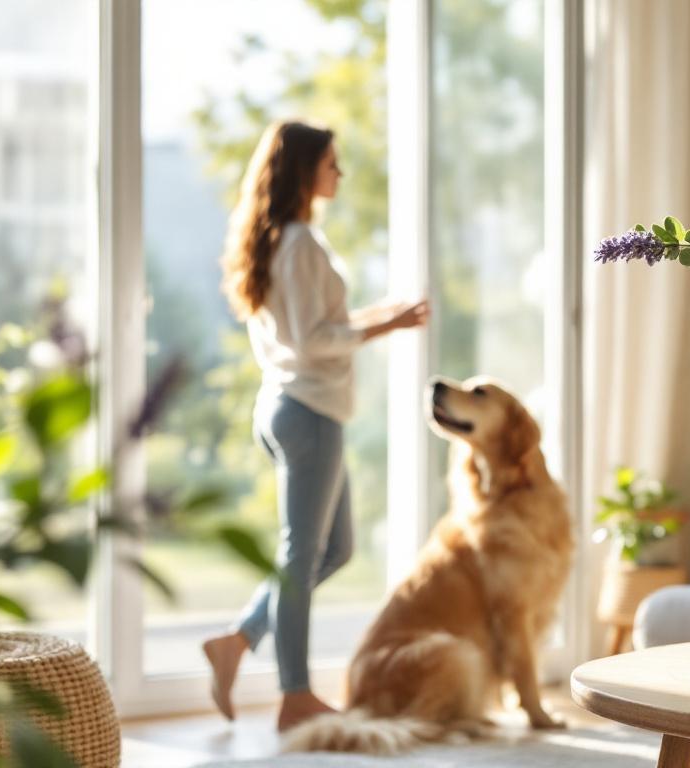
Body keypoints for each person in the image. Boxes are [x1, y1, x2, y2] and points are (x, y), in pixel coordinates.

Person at [203, 120, 429, 731]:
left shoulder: (282, 240)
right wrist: (386, 327)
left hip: (295, 407)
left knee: (334, 549)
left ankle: (239, 640)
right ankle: (294, 695)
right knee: (302, 557)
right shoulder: (300, 241)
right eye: (332, 162)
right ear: (306, 169)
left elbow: (313, 323)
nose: (340, 173)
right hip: (309, 414)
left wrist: (383, 314)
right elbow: (313, 340)